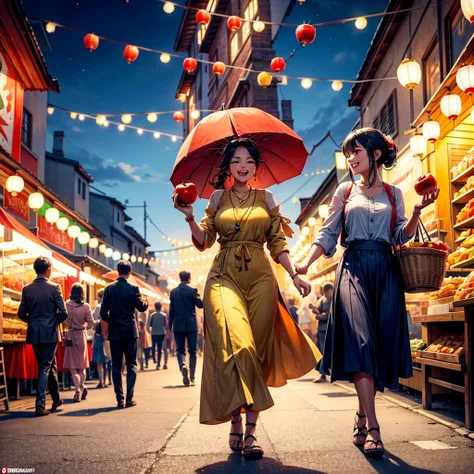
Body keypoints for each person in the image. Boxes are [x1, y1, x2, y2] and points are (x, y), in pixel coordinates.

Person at [173, 137, 320, 460]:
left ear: (256, 167)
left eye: (249, 161)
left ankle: (249, 432)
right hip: (223, 277)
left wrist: (295, 275)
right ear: (227, 166)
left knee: (259, 351)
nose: (243, 166)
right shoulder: (216, 198)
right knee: (237, 344)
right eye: (237, 160)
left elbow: (277, 242)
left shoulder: (266, 198)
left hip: (261, 279)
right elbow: (205, 239)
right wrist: (188, 216)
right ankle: (235, 419)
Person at [296, 128, 439, 457]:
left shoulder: (394, 193)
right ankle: (374, 428)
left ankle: (361, 415)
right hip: (354, 269)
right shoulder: (344, 191)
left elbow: (401, 236)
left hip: (386, 271)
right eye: (348, 153)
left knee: (380, 347)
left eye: (355, 151)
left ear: (375, 154)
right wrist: (306, 263)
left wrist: (417, 212)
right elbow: (329, 232)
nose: (350, 158)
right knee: (362, 342)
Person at [17, 257, 67, 417]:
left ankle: (56, 398)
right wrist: (53, 322)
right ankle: (39, 404)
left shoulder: (26, 288)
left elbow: (20, 313)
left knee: (48, 365)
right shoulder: (55, 287)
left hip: (34, 332)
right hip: (50, 333)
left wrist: (32, 322)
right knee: (45, 367)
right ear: (48, 269)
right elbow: (63, 313)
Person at [101, 260, 148, 408]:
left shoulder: (109, 289)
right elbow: (141, 308)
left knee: (116, 365)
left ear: (117, 270)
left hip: (115, 332)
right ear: (130, 271)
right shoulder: (133, 288)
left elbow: (103, 313)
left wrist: (113, 321)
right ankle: (129, 398)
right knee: (131, 364)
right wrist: (145, 300)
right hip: (130, 332)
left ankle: (119, 398)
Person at [169, 271, 203, 387]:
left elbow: (171, 310)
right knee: (193, 351)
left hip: (178, 324)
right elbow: (200, 305)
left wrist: (169, 326)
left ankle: (182, 364)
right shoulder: (193, 290)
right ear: (189, 278)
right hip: (191, 324)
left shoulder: (173, 292)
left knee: (180, 350)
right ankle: (192, 378)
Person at [63, 283, 94, 402]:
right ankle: (81, 387)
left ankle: (77, 390)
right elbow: (90, 323)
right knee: (81, 367)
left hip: (70, 335)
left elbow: (64, 320)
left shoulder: (67, 304)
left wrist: (71, 325)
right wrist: (83, 326)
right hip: (81, 336)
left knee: (72, 367)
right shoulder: (86, 306)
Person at [312, 283, 333, 383]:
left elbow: (326, 315)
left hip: (326, 329)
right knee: (322, 352)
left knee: (324, 352)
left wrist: (319, 315)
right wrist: (319, 314)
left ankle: (323, 373)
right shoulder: (326, 299)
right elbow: (322, 314)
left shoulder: (328, 299)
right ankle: (323, 373)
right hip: (323, 329)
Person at [91, 290, 109, 388]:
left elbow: (93, 323)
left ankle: (101, 380)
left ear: (99, 296)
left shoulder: (98, 307)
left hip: (99, 335)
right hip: (108, 335)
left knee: (99, 360)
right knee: (107, 358)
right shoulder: (110, 306)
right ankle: (107, 380)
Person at [147, 302, 168, 370]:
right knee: (159, 349)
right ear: (161, 307)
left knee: (153, 347)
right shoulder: (164, 315)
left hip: (154, 333)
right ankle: (158, 363)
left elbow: (149, 325)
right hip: (161, 333)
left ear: (155, 307)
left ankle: (154, 358)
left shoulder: (152, 315)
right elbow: (166, 325)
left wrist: (150, 331)